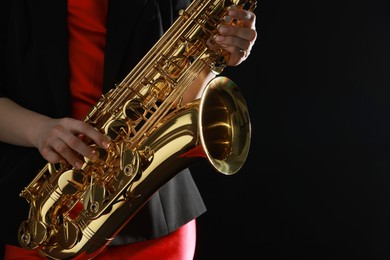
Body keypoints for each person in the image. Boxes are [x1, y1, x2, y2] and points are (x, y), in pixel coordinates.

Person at [0, 0, 257, 259]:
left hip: (153, 221)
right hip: (45, 220)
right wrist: (38, 130)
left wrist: (216, 54)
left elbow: (182, 95)